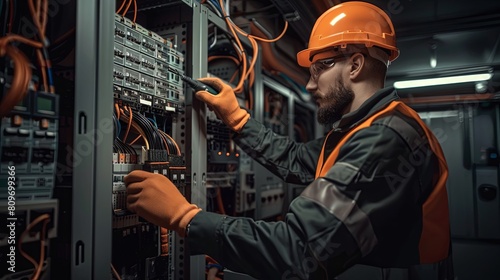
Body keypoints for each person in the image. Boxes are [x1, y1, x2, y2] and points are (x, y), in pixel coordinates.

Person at [125, 1, 453, 279]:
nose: (310, 86)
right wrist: (237, 119)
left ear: (354, 65)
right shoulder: (365, 128)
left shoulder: (384, 139)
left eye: (319, 69)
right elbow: (296, 159)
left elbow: (298, 250)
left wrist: (184, 217)